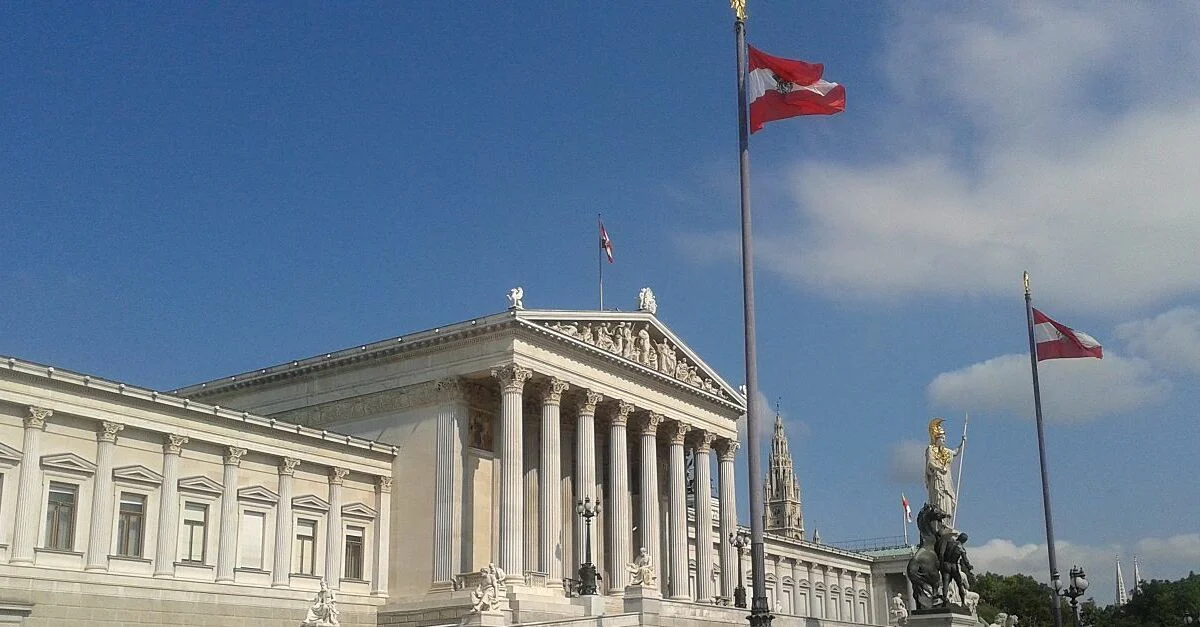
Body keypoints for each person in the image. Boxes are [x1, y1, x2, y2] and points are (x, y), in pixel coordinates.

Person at [924, 418, 964, 520]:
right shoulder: (931, 449)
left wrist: (962, 443)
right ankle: (939, 518)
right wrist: (939, 468)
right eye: (942, 438)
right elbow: (930, 463)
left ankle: (947, 520)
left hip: (946, 477)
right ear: (936, 438)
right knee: (939, 496)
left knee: (948, 497)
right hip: (937, 477)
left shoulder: (945, 451)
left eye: (944, 437)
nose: (944, 439)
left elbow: (955, 452)